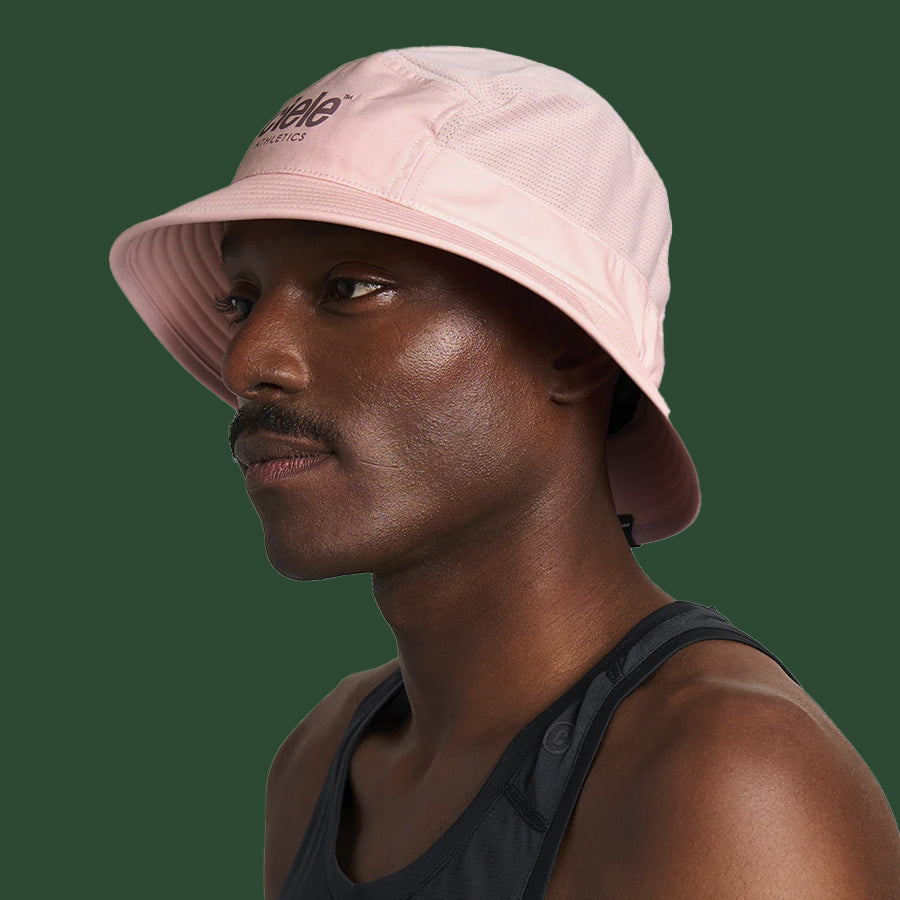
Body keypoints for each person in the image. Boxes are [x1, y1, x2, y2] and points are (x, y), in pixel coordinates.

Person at [109, 46, 900, 898]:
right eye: (241, 300)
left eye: (351, 287)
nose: (247, 362)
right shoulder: (319, 762)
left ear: (573, 348)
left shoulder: (729, 780)